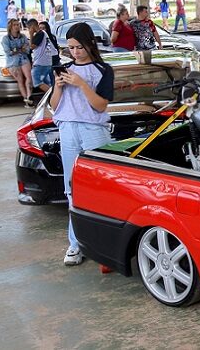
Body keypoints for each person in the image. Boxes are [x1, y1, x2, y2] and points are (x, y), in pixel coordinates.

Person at [52, 22, 115, 266]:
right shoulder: (63, 69)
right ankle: (75, 243)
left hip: (93, 130)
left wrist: (81, 84)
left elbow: (100, 105)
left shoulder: (102, 69)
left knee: (101, 187)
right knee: (72, 188)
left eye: (79, 47)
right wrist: (58, 87)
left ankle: (106, 246)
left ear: (90, 44)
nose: (75, 52)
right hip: (67, 129)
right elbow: (55, 106)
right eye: (70, 48)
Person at [2, 19, 33, 107]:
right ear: (10, 27)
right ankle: (26, 99)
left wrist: (15, 50)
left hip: (23, 58)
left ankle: (29, 96)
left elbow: (27, 49)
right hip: (13, 62)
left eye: (18, 25)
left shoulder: (22, 36)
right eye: (14, 25)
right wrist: (19, 49)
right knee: (20, 80)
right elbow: (8, 51)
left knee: (29, 77)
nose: (16, 26)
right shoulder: (6, 38)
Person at [29, 19, 59, 94]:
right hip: (47, 61)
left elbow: (32, 46)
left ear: (32, 26)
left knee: (37, 81)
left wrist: (31, 34)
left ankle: (53, 95)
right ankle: (52, 95)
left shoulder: (40, 34)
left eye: (29, 27)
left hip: (41, 62)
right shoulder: (44, 34)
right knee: (48, 81)